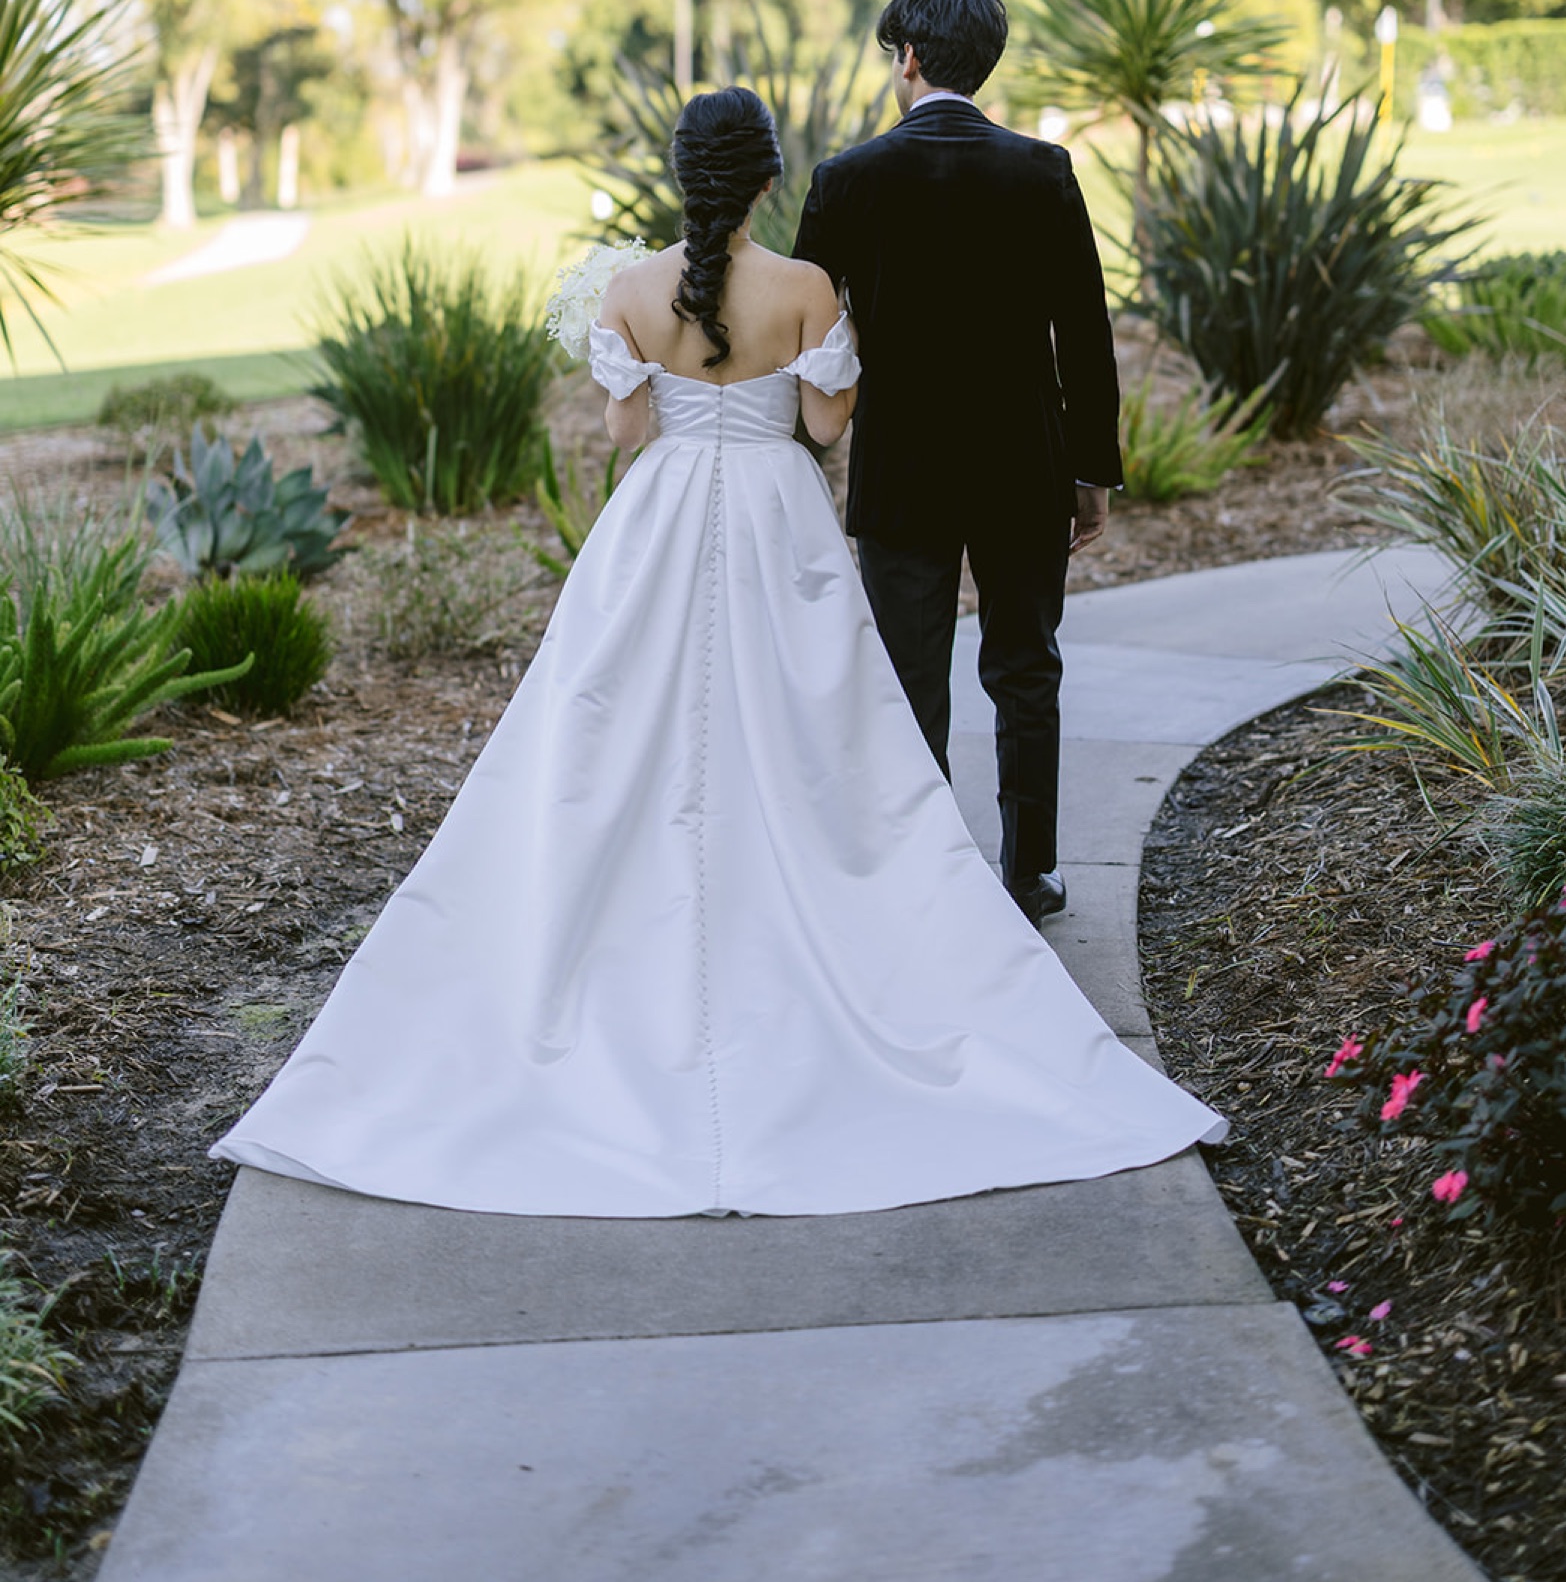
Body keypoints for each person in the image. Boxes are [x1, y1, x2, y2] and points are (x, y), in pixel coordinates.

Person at [212, 86, 1219, 1217]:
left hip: (663, 519)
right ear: (767, 180)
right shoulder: (804, 287)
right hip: (774, 516)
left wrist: (668, 387)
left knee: (615, 718)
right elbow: (825, 429)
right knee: (803, 722)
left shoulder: (632, 289)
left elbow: (627, 430)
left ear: (682, 175)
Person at [793, 0, 1120, 924]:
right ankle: (1031, 871)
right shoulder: (1043, 170)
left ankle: (926, 867)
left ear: (910, 59)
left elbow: (812, 336)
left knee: (909, 674)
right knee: (1027, 665)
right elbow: (1084, 335)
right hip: (1026, 464)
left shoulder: (847, 180)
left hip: (901, 468)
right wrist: (1090, 471)